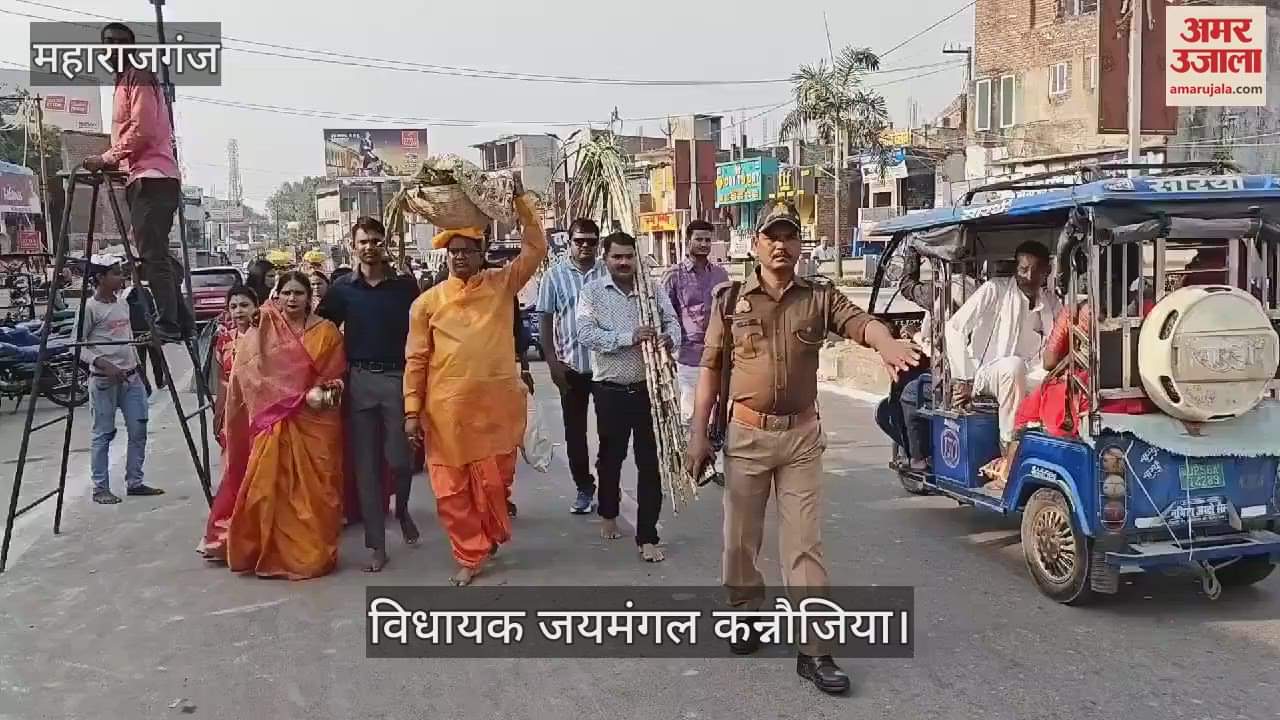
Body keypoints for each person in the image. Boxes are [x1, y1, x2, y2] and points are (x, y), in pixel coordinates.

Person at [684, 201, 920, 695]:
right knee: (739, 544)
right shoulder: (729, 301)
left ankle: (815, 651)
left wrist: (886, 343)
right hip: (745, 437)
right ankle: (746, 613)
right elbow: (709, 369)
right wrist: (698, 434)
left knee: (804, 547)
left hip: (800, 441)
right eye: (772, 235)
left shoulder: (819, 297)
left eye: (790, 236)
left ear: (799, 246)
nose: (780, 244)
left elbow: (861, 321)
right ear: (756, 245)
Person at [403, 191, 547, 586]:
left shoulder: (503, 284)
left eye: (467, 250)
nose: (460, 257)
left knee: (495, 485)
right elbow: (416, 360)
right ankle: (469, 554)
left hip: (496, 411)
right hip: (446, 413)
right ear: (445, 256)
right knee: (451, 490)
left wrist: (519, 203)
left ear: (482, 252)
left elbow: (536, 247)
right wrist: (412, 411)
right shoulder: (426, 304)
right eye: (454, 252)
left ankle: (486, 537)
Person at [207, 272, 346, 578]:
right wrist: (277, 398)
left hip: (315, 422)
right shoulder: (266, 327)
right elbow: (248, 372)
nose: (292, 299)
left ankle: (310, 553)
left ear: (310, 298)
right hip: (274, 421)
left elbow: (335, 378)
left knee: (316, 491)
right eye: (287, 293)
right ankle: (268, 550)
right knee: (268, 490)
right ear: (277, 295)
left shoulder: (327, 332)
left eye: (299, 293)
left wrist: (318, 395)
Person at [317, 217, 421, 572]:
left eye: (376, 240)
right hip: (359, 381)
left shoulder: (406, 288)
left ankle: (402, 509)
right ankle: (376, 545)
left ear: (386, 243)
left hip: (398, 379)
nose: (370, 246)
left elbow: (424, 332)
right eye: (363, 241)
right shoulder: (342, 289)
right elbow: (317, 329)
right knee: (366, 469)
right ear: (353, 244)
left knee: (400, 460)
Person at [577, 232, 681, 562]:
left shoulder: (651, 290)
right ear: (605, 259)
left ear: (637, 257)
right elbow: (585, 334)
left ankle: (647, 536)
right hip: (610, 391)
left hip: (650, 389)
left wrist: (668, 339)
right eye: (616, 257)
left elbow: (672, 322)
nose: (624, 263)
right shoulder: (592, 292)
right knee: (611, 458)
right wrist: (628, 337)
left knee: (650, 463)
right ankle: (608, 511)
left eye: (629, 256)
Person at [81, 23, 186, 343]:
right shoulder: (123, 82)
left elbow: (142, 130)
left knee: (152, 253)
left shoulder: (138, 77)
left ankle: (169, 322)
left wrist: (108, 158)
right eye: (107, 43)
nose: (112, 49)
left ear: (131, 48)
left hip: (153, 177)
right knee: (151, 251)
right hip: (141, 177)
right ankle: (181, 319)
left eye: (119, 43)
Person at [945, 241, 1062, 449]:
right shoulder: (994, 289)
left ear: (1047, 271)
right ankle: (1008, 443)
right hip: (987, 372)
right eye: (1023, 269)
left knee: (1062, 381)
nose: (1028, 277)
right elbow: (954, 328)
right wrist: (964, 378)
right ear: (1015, 268)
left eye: (1036, 271)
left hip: (1031, 373)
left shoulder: (1051, 302)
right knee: (1012, 367)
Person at [79, 256, 164, 505]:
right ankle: (100, 488)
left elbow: (126, 340)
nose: (120, 277)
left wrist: (139, 366)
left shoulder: (123, 304)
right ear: (100, 278)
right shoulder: (89, 309)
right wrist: (102, 363)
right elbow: (78, 347)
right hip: (103, 382)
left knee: (139, 430)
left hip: (130, 378)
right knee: (103, 434)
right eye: (115, 273)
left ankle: (135, 482)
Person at [537, 218, 607, 514]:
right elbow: (545, 320)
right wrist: (552, 364)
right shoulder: (554, 276)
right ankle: (583, 487)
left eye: (592, 241)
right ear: (570, 242)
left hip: (607, 367)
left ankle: (608, 484)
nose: (586, 247)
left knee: (610, 432)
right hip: (571, 367)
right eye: (580, 241)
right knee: (574, 434)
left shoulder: (608, 272)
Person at [662, 220, 729, 424]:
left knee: (717, 416)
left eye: (708, 240)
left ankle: (712, 456)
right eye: (698, 239)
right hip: (689, 357)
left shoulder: (721, 274)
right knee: (692, 416)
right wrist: (667, 353)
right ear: (688, 240)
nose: (703, 244)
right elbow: (664, 316)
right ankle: (691, 455)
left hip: (718, 356)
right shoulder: (674, 276)